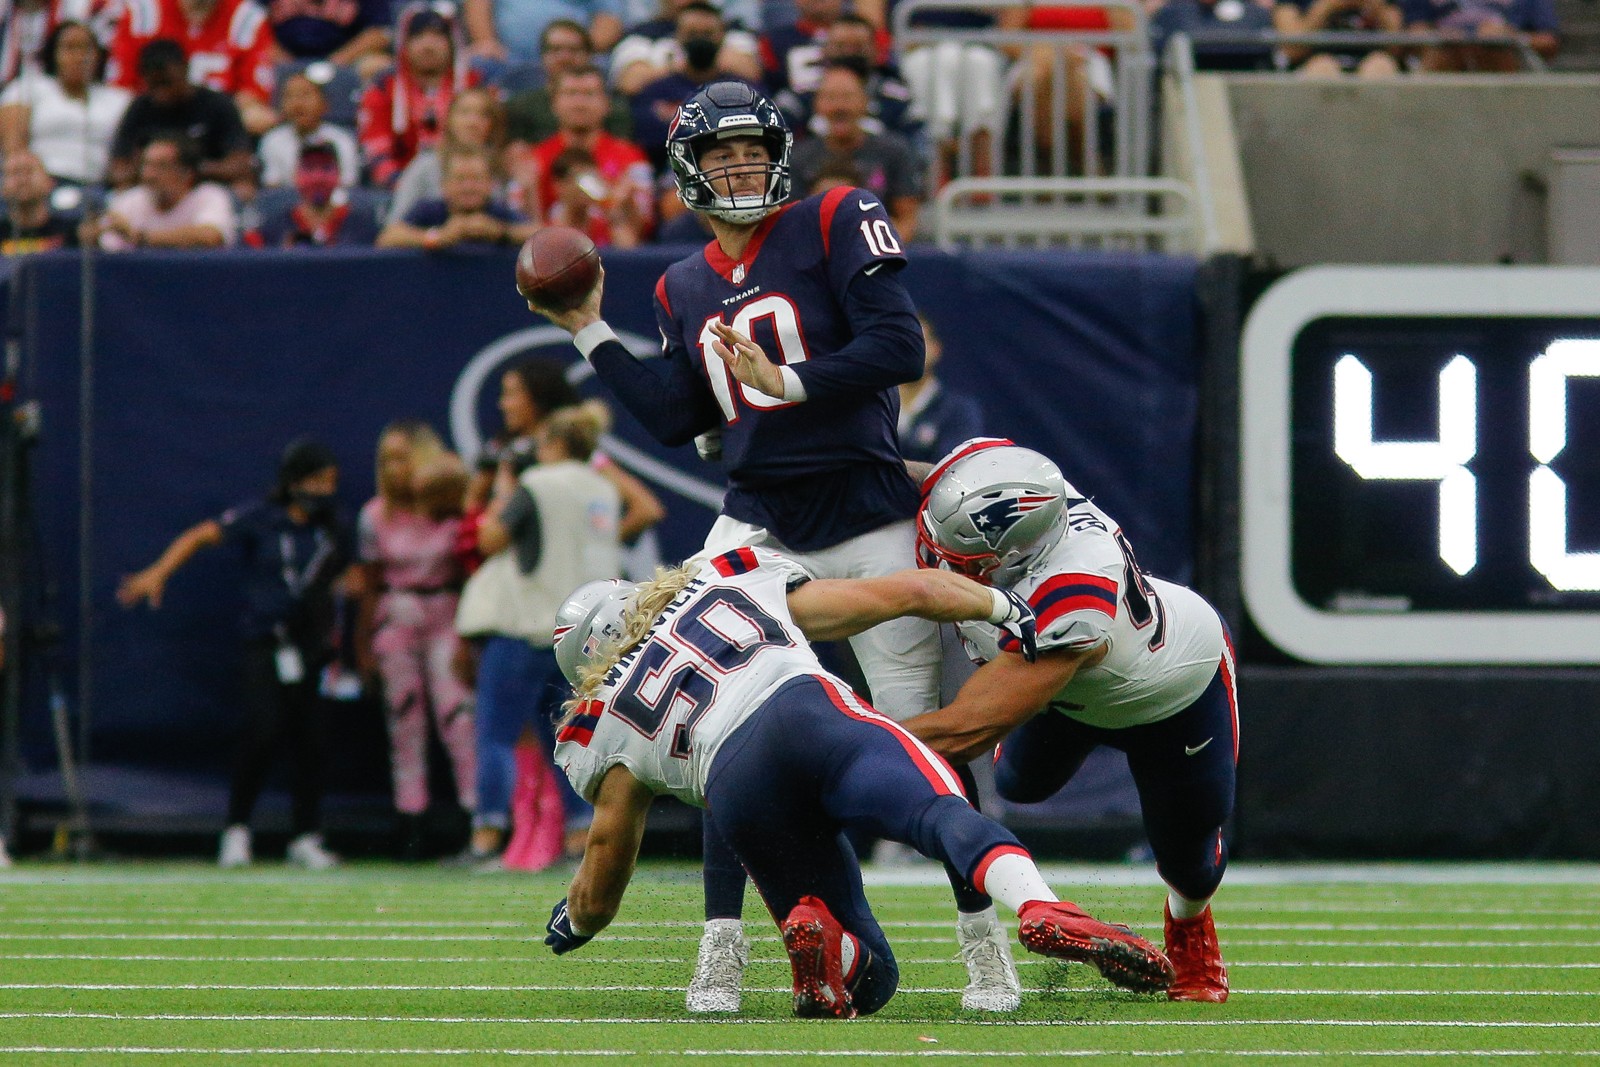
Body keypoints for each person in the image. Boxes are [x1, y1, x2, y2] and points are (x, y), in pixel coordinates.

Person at [523, 80, 1021, 1016]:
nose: (740, 164)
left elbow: (897, 347)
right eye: (720, 154)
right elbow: (677, 416)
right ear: (689, 170)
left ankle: (982, 943)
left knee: (930, 739)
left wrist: (789, 383)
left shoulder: (837, 214)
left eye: (752, 147)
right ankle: (722, 946)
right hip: (757, 523)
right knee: (719, 732)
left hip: (867, 510)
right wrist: (589, 325)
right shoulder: (680, 283)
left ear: (778, 151)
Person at [540, 550, 1175, 1018]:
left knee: (873, 984)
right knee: (940, 815)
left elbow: (604, 865)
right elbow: (905, 593)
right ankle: (1041, 907)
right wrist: (1007, 609)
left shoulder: (603, 722)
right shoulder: (724, 587)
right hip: (810, 717)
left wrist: (575, 922)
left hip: (734, 787)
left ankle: (827, 940)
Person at [903, 438, 1238, 1004]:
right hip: (1067, 690)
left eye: (964, 560)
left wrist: (842, 742)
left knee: (1191, 861)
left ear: (1014, 557)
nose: (938, 556)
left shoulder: (1074, 590)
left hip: (1172, 693)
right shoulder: (1006, 484)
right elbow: (914, 475)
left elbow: (965, 731)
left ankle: (1189, 925)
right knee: (1020, 785)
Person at [117, 437, 353, 871]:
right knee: (263, 731)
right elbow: (201, 535)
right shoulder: (262, 519)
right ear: (295, 480)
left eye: (330, 482)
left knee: (313, 741)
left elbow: (353, 579)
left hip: (315, 646)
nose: (324, 491)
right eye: (317, 481)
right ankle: (237, 829)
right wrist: (158, 572)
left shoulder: (335, 530)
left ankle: (305, 835)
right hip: (267, 642)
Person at [453, 400, 624, 867]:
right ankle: (576, 839)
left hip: (528, 626)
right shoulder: (602, 489)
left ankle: (486, 836)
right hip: (584, 636)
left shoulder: (537, 484)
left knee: (496, 735)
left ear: (554, 443)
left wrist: (504, 487)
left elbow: (489, 539)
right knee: (568, 739)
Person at [355, 422, 477, 860]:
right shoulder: (374, 516)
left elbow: (469, 574)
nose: (394, 468)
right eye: (386, 459)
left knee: (457, 715)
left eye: (403, 457)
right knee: (402, 716)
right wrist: (362, 646)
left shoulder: (450, 510)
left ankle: (475, 817)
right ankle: (411, 820)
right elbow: (369, 584)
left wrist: (471, 638)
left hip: (446, 613)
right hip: (398, 616)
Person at [513, 64, 654, 234]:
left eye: (589, 94)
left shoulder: (631, 158)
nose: (579, 104)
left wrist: (626, 203)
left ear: (606, 104)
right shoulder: (533, 160)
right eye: (571, 94)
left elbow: (644, 229)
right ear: (554, 103)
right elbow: (519, 225)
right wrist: (530, 192)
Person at [789, 62, 923, 240]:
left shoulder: (894, 152)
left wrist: (879, 253)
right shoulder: (798, 158)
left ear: (865, 103)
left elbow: (907, 219)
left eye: (847, 97)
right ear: (817, 105)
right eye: (830, 98)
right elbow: (791, 223)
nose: (839, 107)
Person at [106, 0, 279, 135]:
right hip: (151, 122)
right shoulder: (142, 13)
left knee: (259, 118)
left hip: (215, 129)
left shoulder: (247, 18)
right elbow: (121, 89)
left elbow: (252, 96)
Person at [105, 38, 254, 189]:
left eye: (167, 83)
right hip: (153, 190)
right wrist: (151, 169)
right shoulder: (140, 108)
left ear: (185, 69)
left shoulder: (217, 105)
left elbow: (240, 164)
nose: (161, 93)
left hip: (206, 186)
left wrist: (190, 169)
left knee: (242, 189)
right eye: (154, 86)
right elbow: (117, 168)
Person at [359, 4, 481, 188]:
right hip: (399, 189)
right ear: (404, 44)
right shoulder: (383, 88)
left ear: (452, 42)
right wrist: (406, 185)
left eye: (437, 36)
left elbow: (488, 146)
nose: (428, 45)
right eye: (418, 36)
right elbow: (376, 151)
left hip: (467, 185)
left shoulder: (475, 85)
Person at [0, 20, 132, 189]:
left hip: (99, 186)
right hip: (40, 184)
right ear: (53, 53)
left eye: (86, 49)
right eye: (70, 48)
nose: (79, 57)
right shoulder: (28, 88)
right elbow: (13, 146)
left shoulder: (120, 99)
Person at [87, 132, 238, 249]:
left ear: (186, 173)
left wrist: (140, 237)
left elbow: (211, 236)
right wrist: (93, 236)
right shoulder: (131, 199)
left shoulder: (210, 195)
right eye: (146, 165)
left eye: (161, 166)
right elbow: (110, 244)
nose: (149, 175)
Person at [386, 86, 507, 225]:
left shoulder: (504, 167)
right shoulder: (425, 165)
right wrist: (438, 237)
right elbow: (394, 226)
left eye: (483, 115)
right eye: (464, 113)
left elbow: (527, 227)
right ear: (449, 120)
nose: (473, 122)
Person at [502, 18, 631, 145]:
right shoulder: (520, 108)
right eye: (556, 49)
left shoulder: (614, 110)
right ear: (542, 56)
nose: (564, 57)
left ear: (589, 55)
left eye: (573, 50)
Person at [377, 146, 535, 249]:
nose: (468, 187)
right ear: (444, 185)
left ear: (490, 185)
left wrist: (500, 232)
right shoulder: (429, 210)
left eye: (476, 179)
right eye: (460, 179)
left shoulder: (498, 212)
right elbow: (387, 238)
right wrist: (437, 237)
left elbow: (539, 235)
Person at [610, 0, 760, 97]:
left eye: (706, 33)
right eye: (691, 33)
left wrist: (666, 64)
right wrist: (687, 62)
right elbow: (631, 83)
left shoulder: (732, 29)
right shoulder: (642, 34)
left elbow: (749, 71)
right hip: (665, 112)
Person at [250, 140, 382, 247]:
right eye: (309, 168)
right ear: (296, 175)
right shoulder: (273, 227)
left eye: (326, 168)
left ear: (339, 174)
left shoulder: (362, 225)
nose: (317, 178)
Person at [897, 315, 983, 465]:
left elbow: (952, 470)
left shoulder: (958, 412)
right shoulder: (868, 406)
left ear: (936, 349)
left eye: (918, 341)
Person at [257, 73, 361, 189]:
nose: (297, 104)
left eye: (305, 95)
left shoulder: (341, 140)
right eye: (289, 96)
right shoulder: (272, 140)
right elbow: (273, 187)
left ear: (324, 103)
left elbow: (348, 184)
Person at [1405, 0, 1558, 71]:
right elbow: (1414, 33)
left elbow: (1549, 42)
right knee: (1446, 49)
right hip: (1443, 57)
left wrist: (1511, 37)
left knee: (1496, 48)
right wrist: (1440, 37)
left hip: (1504, 60)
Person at [461, 0, 622, 63]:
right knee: (479, 62)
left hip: (573, 58)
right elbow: (477, 4)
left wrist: (580, 51)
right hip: (509, 59)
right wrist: (486, 40)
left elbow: (609, 19)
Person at [1274, 0, 1403, 77]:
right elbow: (1291, 50)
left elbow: (1397, 47)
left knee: (1380, 67)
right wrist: (1329, 4)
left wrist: (1375, 7)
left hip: (1370, 60)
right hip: (1314, 62)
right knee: (1322, 69)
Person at [1, 149, 80, 254]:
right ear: (3, 188)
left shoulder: (73, 233)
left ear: (50, 182)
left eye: (29, 171)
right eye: (15, 173)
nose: (23, 180)